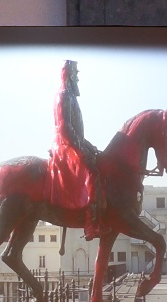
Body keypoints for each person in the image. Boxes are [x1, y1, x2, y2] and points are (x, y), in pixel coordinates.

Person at [49, 59, 105, 239]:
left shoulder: (71, 97)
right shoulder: (63, 96)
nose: (78, 80)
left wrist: (89, 146)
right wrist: (81, 149)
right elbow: (65, 128)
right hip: (64, 146)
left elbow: (77, 133)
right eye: (76, 76)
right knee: (91, 171)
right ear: (69, 76)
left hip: (73, 143)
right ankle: (90, 223)